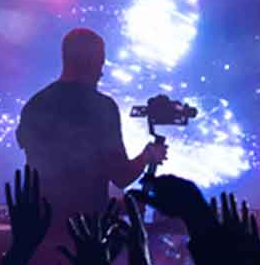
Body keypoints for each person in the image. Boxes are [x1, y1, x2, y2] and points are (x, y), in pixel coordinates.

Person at [16, 28, 167, 226]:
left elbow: (59, 178)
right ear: (92, 61)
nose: (101, 72)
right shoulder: (101, 107)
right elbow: (121, 176)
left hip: (37, 226)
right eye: (101, 62)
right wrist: (148, 155)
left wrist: (118, 206)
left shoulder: (34, 104)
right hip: (84, 233)